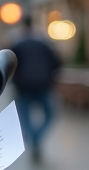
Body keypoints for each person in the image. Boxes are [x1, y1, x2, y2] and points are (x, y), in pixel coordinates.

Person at [10, 17, 61, 162]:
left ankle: (33, 139)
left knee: (25, 117)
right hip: (43, 85)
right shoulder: (44, 43)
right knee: (50, 114)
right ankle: (36, 139)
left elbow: (9, 64)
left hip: (23, 86)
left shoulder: (17, 44)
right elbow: (56, 62)